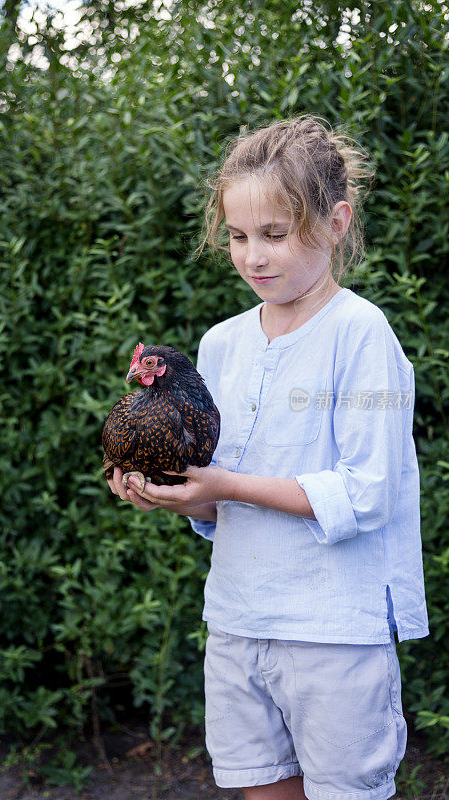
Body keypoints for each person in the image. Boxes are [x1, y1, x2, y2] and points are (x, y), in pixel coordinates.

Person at [106, 115, 429, 800]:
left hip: (333, 632)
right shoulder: (221, 344)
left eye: (275, 235)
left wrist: (228, 484)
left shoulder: (360, 334)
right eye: (238, 235)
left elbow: (370, 492)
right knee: (264, 791)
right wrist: (182, 494)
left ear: (336, 222)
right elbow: (221, 497)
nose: (253, 255)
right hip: (237, 619)